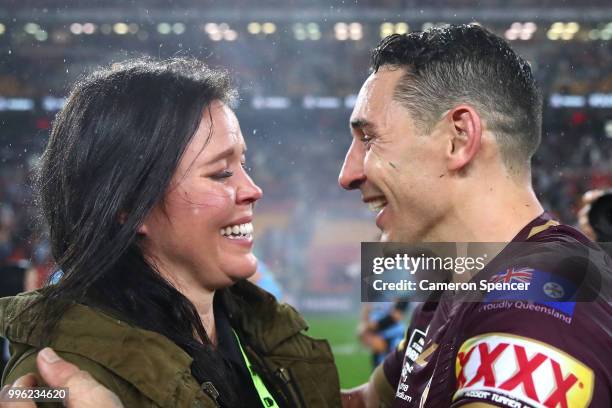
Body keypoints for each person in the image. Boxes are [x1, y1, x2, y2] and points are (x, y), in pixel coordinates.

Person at [0, 58, 341, 408]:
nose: (253, 189)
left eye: (243, 165)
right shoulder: (54, 382)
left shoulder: (261, 333)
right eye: (222, 173)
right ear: (130, 207)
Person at [339, 25, 612, 407]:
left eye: (368, 139)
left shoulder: (533, 314)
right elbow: (368, 402)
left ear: (459, 138)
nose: (347, 175)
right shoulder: (462, 284)